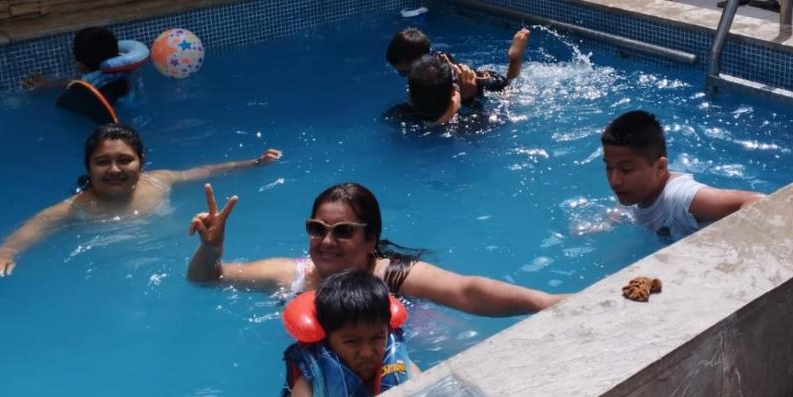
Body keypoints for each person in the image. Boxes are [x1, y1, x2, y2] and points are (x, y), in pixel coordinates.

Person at [186, 181, 562, 315]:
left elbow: (466, 291)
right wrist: (211, 248)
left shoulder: (390, 275)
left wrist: (546, 302)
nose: (327, 241)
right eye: (317, 229)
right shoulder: (291, 273)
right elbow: (208, 280)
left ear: (370, 239)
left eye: (343, 231)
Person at [0, 123, 281, 278]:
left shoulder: (159, 181)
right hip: (111, 271)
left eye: (124, 160)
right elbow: (29, 231)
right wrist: (2, 255)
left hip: (175, 264)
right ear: (88, 167)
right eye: (103, 161)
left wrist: (253, 164)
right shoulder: (73, 209)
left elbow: (205, 170)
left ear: (141, 161)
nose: (115, 169)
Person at [279, 269, 418, 397]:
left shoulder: (401, 365)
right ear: (327, 340)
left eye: (377, 338)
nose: (367, 353)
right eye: (352, 342)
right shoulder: (311, 384)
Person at [601, 110, 763, 238]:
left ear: (660, 167)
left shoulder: (680, 197)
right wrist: (609, 223)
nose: (615, 181)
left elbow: (757, 201)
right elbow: (623, 204)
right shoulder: (634, 191)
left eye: (626, 170)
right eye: (609, 167)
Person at [387, 27, 531, 123]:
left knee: (509, 92)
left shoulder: (443, 69)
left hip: (481, 82)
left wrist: (466, 94)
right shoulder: (434, 64)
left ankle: (515, 60)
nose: (404, 75)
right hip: (469, 82)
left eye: (403, 72)